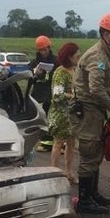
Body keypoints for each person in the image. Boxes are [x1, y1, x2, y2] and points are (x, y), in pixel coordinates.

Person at [73, 13, 110, 214]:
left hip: (95, 110)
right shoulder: (98, 57)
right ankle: (85, 201)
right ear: (107, 35)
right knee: (89, 153)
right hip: (88, 110)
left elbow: (107, 88)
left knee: (96, 152)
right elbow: (96, 89)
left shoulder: (105, 55)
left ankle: (93, 194)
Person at [45, 42, 80, 183]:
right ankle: (54, 173)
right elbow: (57, 96)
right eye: (77, 55)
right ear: (69, 57)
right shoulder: (60, 73)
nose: (79, 57)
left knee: (71, 143)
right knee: (58, 143)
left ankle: (68, 172)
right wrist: (73, 96)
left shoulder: (75, 70)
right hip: (60, 115)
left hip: (72, 115)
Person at [29, 35, 57, 114]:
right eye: (41, 50)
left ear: (49, 48)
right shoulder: (34, 62)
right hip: (38, 94)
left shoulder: (56, 61)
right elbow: (29, 76)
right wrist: (35, 73)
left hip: (51, 94)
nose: (43, 52)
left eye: (45, 50)